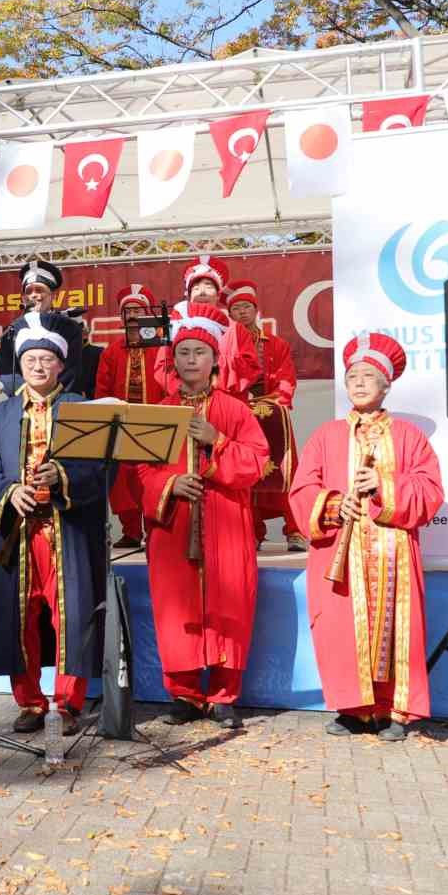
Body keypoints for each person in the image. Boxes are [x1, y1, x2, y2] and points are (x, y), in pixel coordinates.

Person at [289, 333, 445, 741]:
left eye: (369, 375)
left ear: (386, 384)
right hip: (340, 551)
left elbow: (430, 493)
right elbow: (301, 488)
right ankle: (353, 710)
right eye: (352, 375)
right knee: (340, 629)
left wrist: (383, 485)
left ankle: (394, 712)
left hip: (392, 551)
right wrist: (334, 505)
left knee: (396, 629)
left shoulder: (409, 436)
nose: (358, 382)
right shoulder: (326, 435)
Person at [0, 312, 111, 736]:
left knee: (72, 617)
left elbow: (106, 465)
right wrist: (9, 492)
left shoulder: (81, 409)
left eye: (46, 359)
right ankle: (30, 702)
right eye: (30, 358)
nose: (37, 366)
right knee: (20, 617)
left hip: (67, 531)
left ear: (60, 364)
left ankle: (68, 702)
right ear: (20, 362)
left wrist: (63, 476)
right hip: (18, 532)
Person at [135, 303, 270, 727]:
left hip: (225, 519)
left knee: (230, 602)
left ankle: (224, 694)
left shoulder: (234, 409)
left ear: (214, 360)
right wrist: (169, 485)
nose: (191, 359)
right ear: (172, 360)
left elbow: (258, 462)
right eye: (184, 352)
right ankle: (185, 694)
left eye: (200, 352)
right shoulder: (158, 411)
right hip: (173, 523)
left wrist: (217, 443)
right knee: (176, 610)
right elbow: (141, 471)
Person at [225, 281, 306, 553]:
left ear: (256, 310)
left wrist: (274, 401)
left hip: (273, 414)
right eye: (236, 308)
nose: (242, 312)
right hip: (241, 415)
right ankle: (254, 532)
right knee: (249, 474)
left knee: (285, 471)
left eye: (246, 307)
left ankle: (294, 531)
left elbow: (286, 379)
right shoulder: (226, 346)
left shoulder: (277, 344)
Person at [93, 283, 165, 548]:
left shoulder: (161, 346)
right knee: (123, 481)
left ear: (148, 314)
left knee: (153, 478)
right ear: (121, 317)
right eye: (128, 310)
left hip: (155, 422)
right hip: (121, 425)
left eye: (138, 309)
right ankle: (132, 531)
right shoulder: (111, 351)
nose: (133, 315)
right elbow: (102, 389)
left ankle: (156, 529)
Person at [153, 255, 258, 397]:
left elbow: (249, 368)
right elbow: (162, 367)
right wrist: (186, 391)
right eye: (196, 288)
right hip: (184, 402)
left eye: (208, 286)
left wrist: (215, 387)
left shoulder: (235, 329)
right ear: (189, 296)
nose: (202, 291)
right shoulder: (175, 326)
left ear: (217, 295)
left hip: (227, 403)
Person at [0, 258, 86, 381]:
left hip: (60, 397)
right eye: (28, 292)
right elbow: (7, 372)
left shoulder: (69, 327)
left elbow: (71, 371)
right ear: (23, 298)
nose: (33, 295)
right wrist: (28, 396)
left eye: (39, 290)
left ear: (53, 295)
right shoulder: (11, 331)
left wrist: (49, 395)